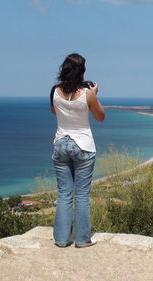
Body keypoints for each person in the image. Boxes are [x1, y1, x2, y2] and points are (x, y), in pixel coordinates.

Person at [49, 53, 105, 248]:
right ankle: (82, 238)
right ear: (82, 72)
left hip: (60, 143)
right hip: (83, 145)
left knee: (64, 193)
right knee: (81, 194)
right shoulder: (88, 93)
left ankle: (62, 239)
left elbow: (54, 111)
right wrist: (94, 95)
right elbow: (100, 116)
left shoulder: (54, 91)